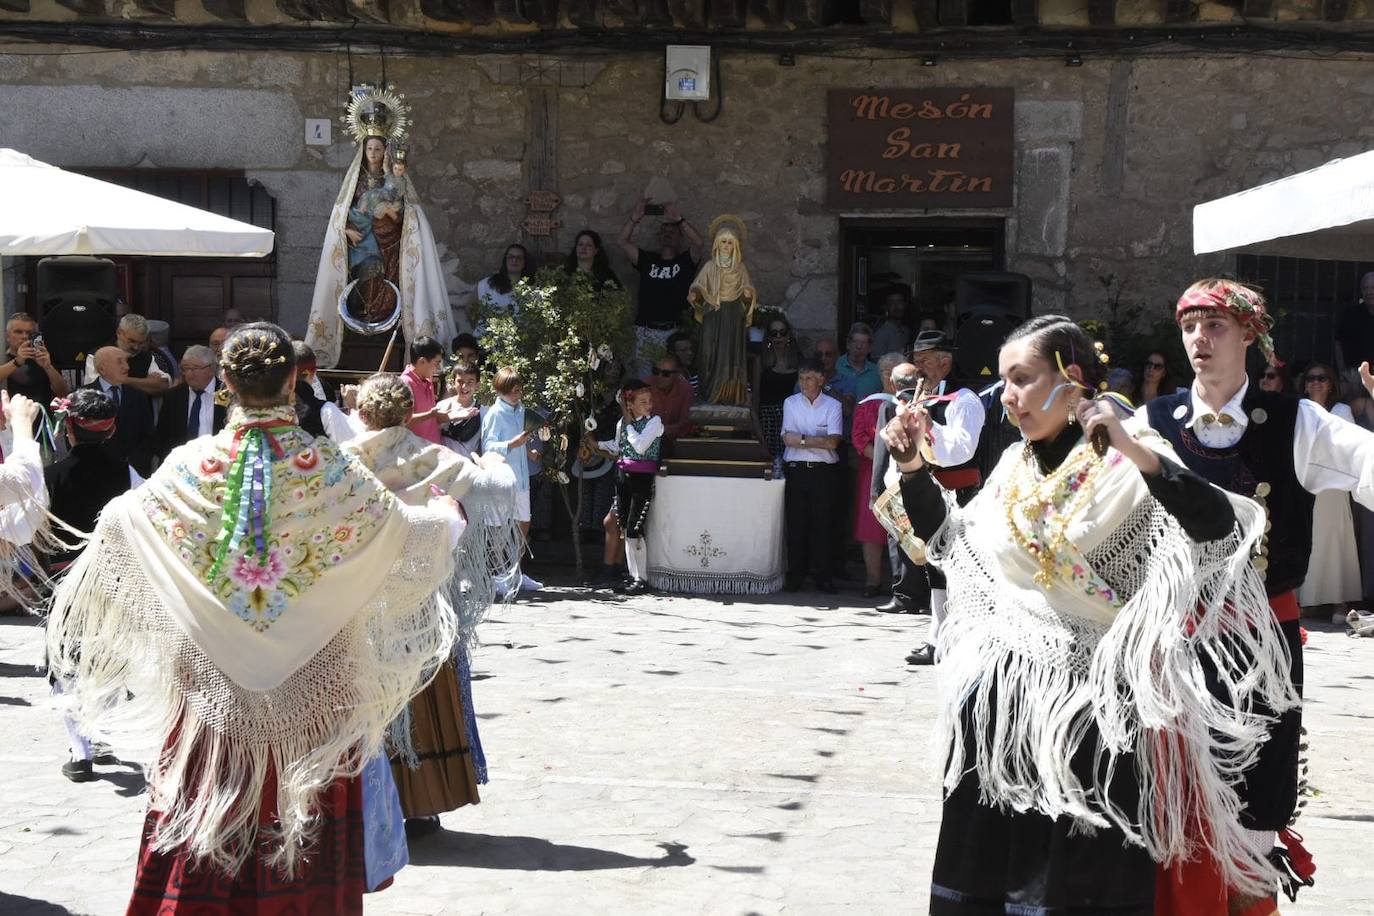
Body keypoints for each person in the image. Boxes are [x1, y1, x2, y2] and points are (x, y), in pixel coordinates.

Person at [46, 322, 471, 913]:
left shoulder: (191, 466)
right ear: (295, 379)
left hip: (212, 699)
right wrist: (448, 519)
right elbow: (401, 536)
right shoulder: (330, 470)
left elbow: (120, 524)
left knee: (202, 833)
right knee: (306, 843)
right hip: (316, 703)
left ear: (225, 383)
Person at [882, 314, 1298, 916]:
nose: (1011, 397)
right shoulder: (1012, 468)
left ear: (1070, 377)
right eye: (1004, 382)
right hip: (1002, 708)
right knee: (987, 873)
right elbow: (950, 545)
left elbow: (1219, 530)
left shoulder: (1130, 457)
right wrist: (914, 468)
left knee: (1075, 879)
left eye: (1022, 378)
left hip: (1097, 713)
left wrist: (1134, 449)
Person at [1139, 278, 1374, 912]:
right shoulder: (1152, 424)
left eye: (1214, 326)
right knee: (1172, 799)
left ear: (1250, 335)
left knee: (1254, 802)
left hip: (1263, 645)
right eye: (1190, 326)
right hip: (1174, 644)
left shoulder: (1299, 421)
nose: (1198, 340)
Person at [337, 373, 516, 838]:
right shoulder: (425, 454)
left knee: (364, 695)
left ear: (363, 413)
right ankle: (418, 803)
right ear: (405, 411)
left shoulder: (344, 462)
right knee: (418, 688)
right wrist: (495, 457)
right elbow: (497, 489)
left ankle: (361, 803)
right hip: (418, 596)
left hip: (360, 598)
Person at [306, 88, 456, 369]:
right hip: (360, 246)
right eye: (369, 148)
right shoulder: (354, 183)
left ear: (386, 151)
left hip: (393, 247)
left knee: (388, 282)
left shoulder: (395, 180)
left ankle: (391, 321)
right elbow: (341, 218)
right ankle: (362, 317)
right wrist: (345, 232)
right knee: (366, 279)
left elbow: (410, 217)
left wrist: (395, 219)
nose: (373, 153)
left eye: (378, 149)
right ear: (363, 150)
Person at [904, 329, 987, 665]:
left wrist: (929, 428)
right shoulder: (921, 398)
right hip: (931, 493)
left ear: (945, 361)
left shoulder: (963, 399)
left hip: (960, 496)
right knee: (934, 569)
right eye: (916, 362)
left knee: (957, 569)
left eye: (924, 362)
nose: (918, 369)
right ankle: (938, 640)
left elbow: (961, 450)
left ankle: (953, 640)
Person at [586, 379, 664, 596]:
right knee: (623, 528)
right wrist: (597, 445)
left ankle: (642, 578)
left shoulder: (654, 422)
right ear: (630, 405)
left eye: (649, 401)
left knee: (634, 528)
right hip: (623, 476)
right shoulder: (623, 423)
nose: (648, 405)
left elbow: (640, 446)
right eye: (642, 401)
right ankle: (632, 574)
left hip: (641, 479)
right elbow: (620, 445)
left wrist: (629, 424)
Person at [1296, 362, 1362, 615]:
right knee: (1308, 537)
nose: (1316, 382)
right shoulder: (1298, 408)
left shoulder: (1341, 410)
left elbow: (1343, 444)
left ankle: (1340, 601)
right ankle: (1304, 599)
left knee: (1336, 538)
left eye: (1322, 378)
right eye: (1311, 378)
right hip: (1306, 479)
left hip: (1333, 483)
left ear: (1331, 383)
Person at [871, 362, 931, 615]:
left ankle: (904, 596)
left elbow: (882, 450)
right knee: (924, 536)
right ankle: (925, 594)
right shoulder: (928, 405)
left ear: (892, 384)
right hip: (924, 477)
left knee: (899, 539)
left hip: (896, 478)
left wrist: (875, 489)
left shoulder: (890, 406)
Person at [617, 199, 704, 371]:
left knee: (674, 379)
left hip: (675, 332)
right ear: (658, 237)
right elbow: (622, 241)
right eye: (664, 232)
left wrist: (678, 218)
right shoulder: (648, 260)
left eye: (673, 232)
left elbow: (699, 243)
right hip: (646, 332)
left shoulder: (686, 261)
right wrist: (635, 218)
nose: (668, 234)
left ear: (680, 238)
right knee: (645, 381)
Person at [780, 359, 843, 593]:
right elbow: (788, 439)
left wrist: (803, 439)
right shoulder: (791, 402)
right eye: (801, 378)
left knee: (824, 524)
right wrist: (818, 439)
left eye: (809, 378)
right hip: (797, 469)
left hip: (823, 472)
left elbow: (834, 442)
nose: (804, 383)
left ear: (821, 380)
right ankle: (796, 574)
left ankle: (823, 576)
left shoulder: (832, 405)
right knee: (797, 523)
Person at [481, 366, 543, 595]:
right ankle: (498, 575)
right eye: (513, 391)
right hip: (502, 477)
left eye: (519, 390)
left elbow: (521, 439)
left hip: (521, 478)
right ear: (501, 390)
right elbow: (488, 445)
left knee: (523, 522)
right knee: (498, 526)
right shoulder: (494, 413)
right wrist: (512, 444)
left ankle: (515, 571)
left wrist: (528, 452)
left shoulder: (521, 410)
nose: (517, 395)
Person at [689, 216, 756, 405]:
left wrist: (747, 295)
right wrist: (696, 294)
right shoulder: (710, 267)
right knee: (709, 354)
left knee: (731, 354)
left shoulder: (740, 268)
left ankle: (730, 396)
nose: (726, 246)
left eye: (730, 242)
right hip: (713, 314)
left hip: (733, 317)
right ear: (717, 244)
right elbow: (698, 286)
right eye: (723, 242)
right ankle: (709, 393)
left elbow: (747, 294)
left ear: (735, 246)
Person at [852, 353, 903, 598]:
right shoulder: (868, 403)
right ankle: (873, 581)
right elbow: (859, 437)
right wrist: (884, 459)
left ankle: (901, 584)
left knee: (902, 528)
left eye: (895, 372)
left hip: (905, 472)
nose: (890, 377)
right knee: (871, 529)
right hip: (871, 472)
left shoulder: (911, 404)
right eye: (885, 371)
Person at [82, 346, 156, 478]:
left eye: (126, 361)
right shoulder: (83, 396)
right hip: (94, 474)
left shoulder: (138, 396)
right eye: (119, 362)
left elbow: (148, 436)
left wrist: (133, 464)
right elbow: (77, 438)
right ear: (102, 369)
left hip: (133, 474)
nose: (127, 367)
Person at [154, 345, 226, 461]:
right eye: (185, 369)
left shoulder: (227, 393)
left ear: (212, 369)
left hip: (218, 462)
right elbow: (162, 437)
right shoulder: (173, 396)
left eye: (195, 369)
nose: (189, 374)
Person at [83, 314, 171, 398]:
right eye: (132, 341)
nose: (136, 347)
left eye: (141, 343)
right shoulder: (96, 355)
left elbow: (162, 385)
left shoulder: (147, 357)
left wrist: (122, 380)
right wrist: (144, 383)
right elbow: (96, 389)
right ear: (119, 333)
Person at [0, 312, 69, 409]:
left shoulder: (43, 357)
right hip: (10, 419)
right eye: (18, 332)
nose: (24, 336)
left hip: (41, 418)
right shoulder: (3, 358)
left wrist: (48, 367)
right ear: (7, 336)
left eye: (29, 333)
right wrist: (17, 362)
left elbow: (64, 393)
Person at [753, 316, 800, 458]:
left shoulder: (797, 360)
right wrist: (759, 436)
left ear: (788, 335)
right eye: (774, 333)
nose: (778, 336)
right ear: (769, 337)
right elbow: (755, 398)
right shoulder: (761, 360)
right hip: (768, 420)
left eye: (782, 332)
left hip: (792, 420)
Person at [401, 336, 449, 444]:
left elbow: (432, 420)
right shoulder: (405, 384)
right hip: (415, 452)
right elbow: (403, 421)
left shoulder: (427, 380)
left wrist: (455, 415)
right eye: (436, 363)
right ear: (422, 361)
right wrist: (430, 414)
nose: (438, 368)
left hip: (433, 449)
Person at [474, 243, 533, 326]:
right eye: (511, 257)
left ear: (524, 262)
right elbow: (472, 309)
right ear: (505, 260)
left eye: (519, 258)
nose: (514, 261)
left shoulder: (532, 288)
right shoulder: (487, 284)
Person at [440, 361, 484, 458]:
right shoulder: (442, 406)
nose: (464, 386)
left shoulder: (483, 412)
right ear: (453, 382)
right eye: (460, 381)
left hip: (467, 466)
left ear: (477, 385)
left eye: (470, 382)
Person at [647, 353, 694, 442]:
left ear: (677, 374)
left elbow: (685, 422)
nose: (659, 376)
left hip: (676, 442)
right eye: (656, 371)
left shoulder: (686, 389)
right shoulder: (644, 386)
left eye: (666, 373)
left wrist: (663, 430)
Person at [1335, 270, 1374, 371]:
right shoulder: (1350, 315)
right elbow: (1339, 343)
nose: (1369, 292)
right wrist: (1342, 373)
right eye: (1365, 288)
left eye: (1373, 287)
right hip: (1354, 374)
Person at [836, 322, 882, 401]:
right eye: (855, 342)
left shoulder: (877, 373)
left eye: (863, 343)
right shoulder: (836, 366)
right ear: (848, 344)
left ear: (870, 348)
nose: (859, 346)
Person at [871, 286, 913, 358]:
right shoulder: (881, 333)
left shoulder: (906, 331)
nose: (896, 307)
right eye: (892, 302)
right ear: (886, 307)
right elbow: (876, 363)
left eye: (899, 302)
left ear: (905, 305)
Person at [665, 330, 700, 398]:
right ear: (672, 353)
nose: (690, 353)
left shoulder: (695, 374)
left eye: (691, 349)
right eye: (683, 350)